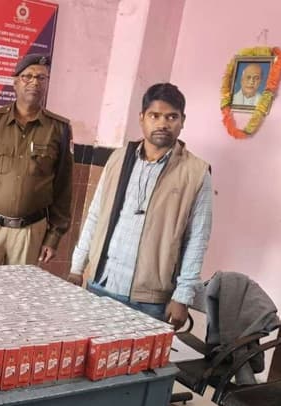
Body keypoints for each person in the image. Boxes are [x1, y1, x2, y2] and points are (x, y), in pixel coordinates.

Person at [68, 83, 213, 330]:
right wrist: (77, 267)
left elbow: (197, 239)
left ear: (182, 121)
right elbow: (95, 215)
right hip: (101, 284)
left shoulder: (197, 173)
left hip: (150, 298)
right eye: (154, 116)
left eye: (171, 117)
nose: (163, 123)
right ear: (142, 118)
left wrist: (183, 296)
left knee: (136, 357)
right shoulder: (118, 159)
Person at [0, 54, 72, 266]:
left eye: (41, 78)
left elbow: (63, 186)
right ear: (15, 82)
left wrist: (54, 236)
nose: (34, 82)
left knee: (20, 287)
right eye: (27, 76)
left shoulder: (59, 129)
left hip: (30, 231)